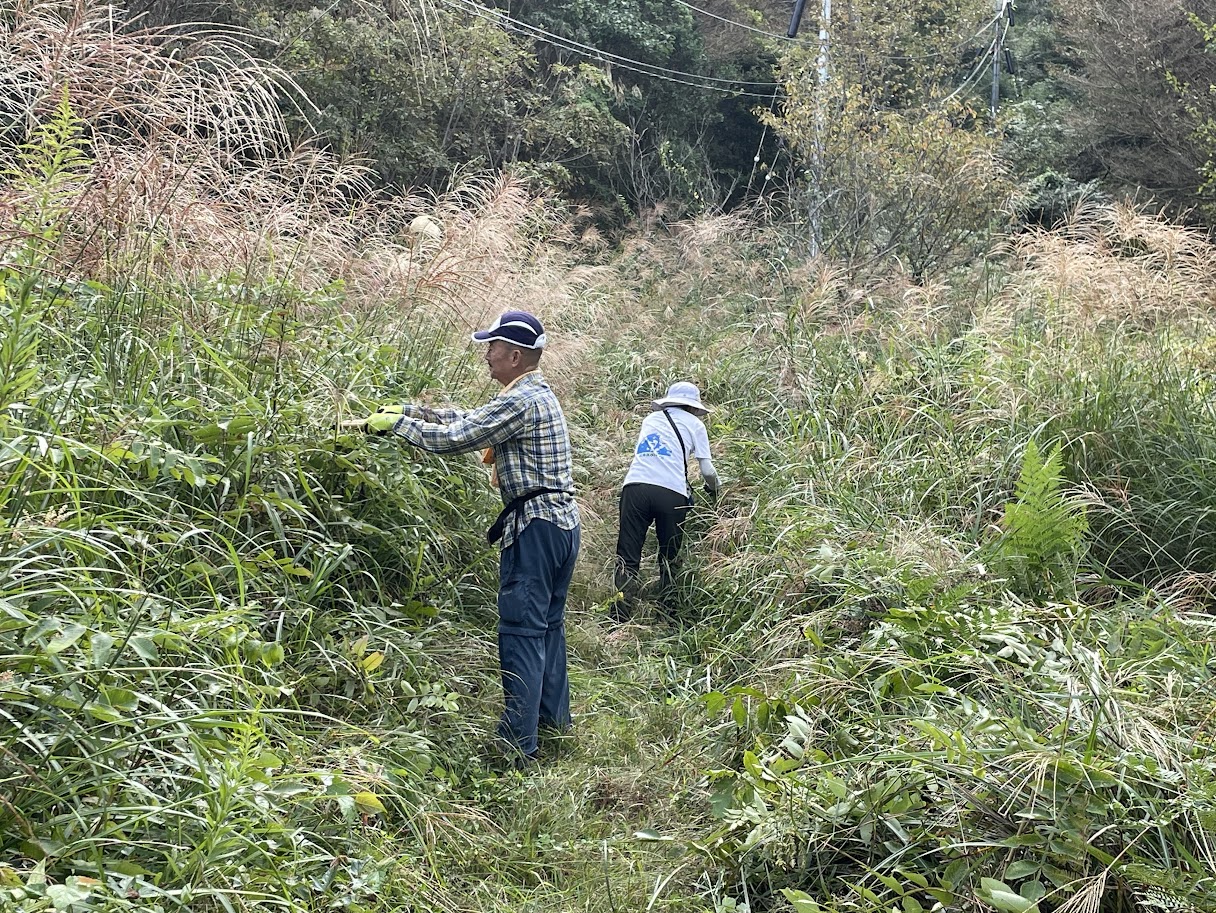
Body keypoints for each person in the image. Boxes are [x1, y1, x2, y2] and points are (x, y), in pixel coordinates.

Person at [364, 310, 580, 766]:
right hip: (562, 525)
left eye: (492, 347)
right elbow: (470, 417)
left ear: (515, 355)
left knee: (521, 631)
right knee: (548, 627)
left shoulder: (521, 401)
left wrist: (399, 428)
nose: (487, 354)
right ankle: (551, 722)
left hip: (536, 529)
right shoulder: (528, 394)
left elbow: (459, 437)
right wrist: (410, 411)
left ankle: (516, 747)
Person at [611, 381, 719, 621]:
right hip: (672, 493)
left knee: (627, 554)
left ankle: (619, 614)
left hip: (636, 487)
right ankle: (667, 612)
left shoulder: (650, 420)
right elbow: (708, 471)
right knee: (669, 555)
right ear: (693, 407)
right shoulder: (696, 425)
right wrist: (715, 490)